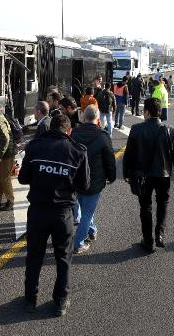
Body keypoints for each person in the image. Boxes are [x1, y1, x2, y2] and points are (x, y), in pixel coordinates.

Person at [19, 114, 89, 317]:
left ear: (51, 128)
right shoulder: (77, 151)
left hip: (38, 211)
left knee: (34, 256)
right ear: (69, 131)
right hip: (63, 213)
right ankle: (60, 301)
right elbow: (84, 185)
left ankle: (30, 299)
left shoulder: (35, 147)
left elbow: (23, 178)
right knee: (63, 258)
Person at [122, 98, 174, 253]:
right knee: (163, 204)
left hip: (143, 176)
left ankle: (148, 241)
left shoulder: (136, 129)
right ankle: (160, 235)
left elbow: (128, 154)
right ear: (160, 112)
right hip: (163, 175)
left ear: (147, 112)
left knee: (145, 207)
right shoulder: (171, 130)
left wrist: (126, 173)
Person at [70, 105, 116, 254]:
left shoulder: (74, 133)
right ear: (97, 118)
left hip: (76, 179)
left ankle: (92, 230)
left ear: (84, 117)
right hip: (94, 180)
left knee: (84, 209)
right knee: (88, 212)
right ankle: (78, 243)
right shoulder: (102, 136)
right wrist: (111, 177)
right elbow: (110, 159)